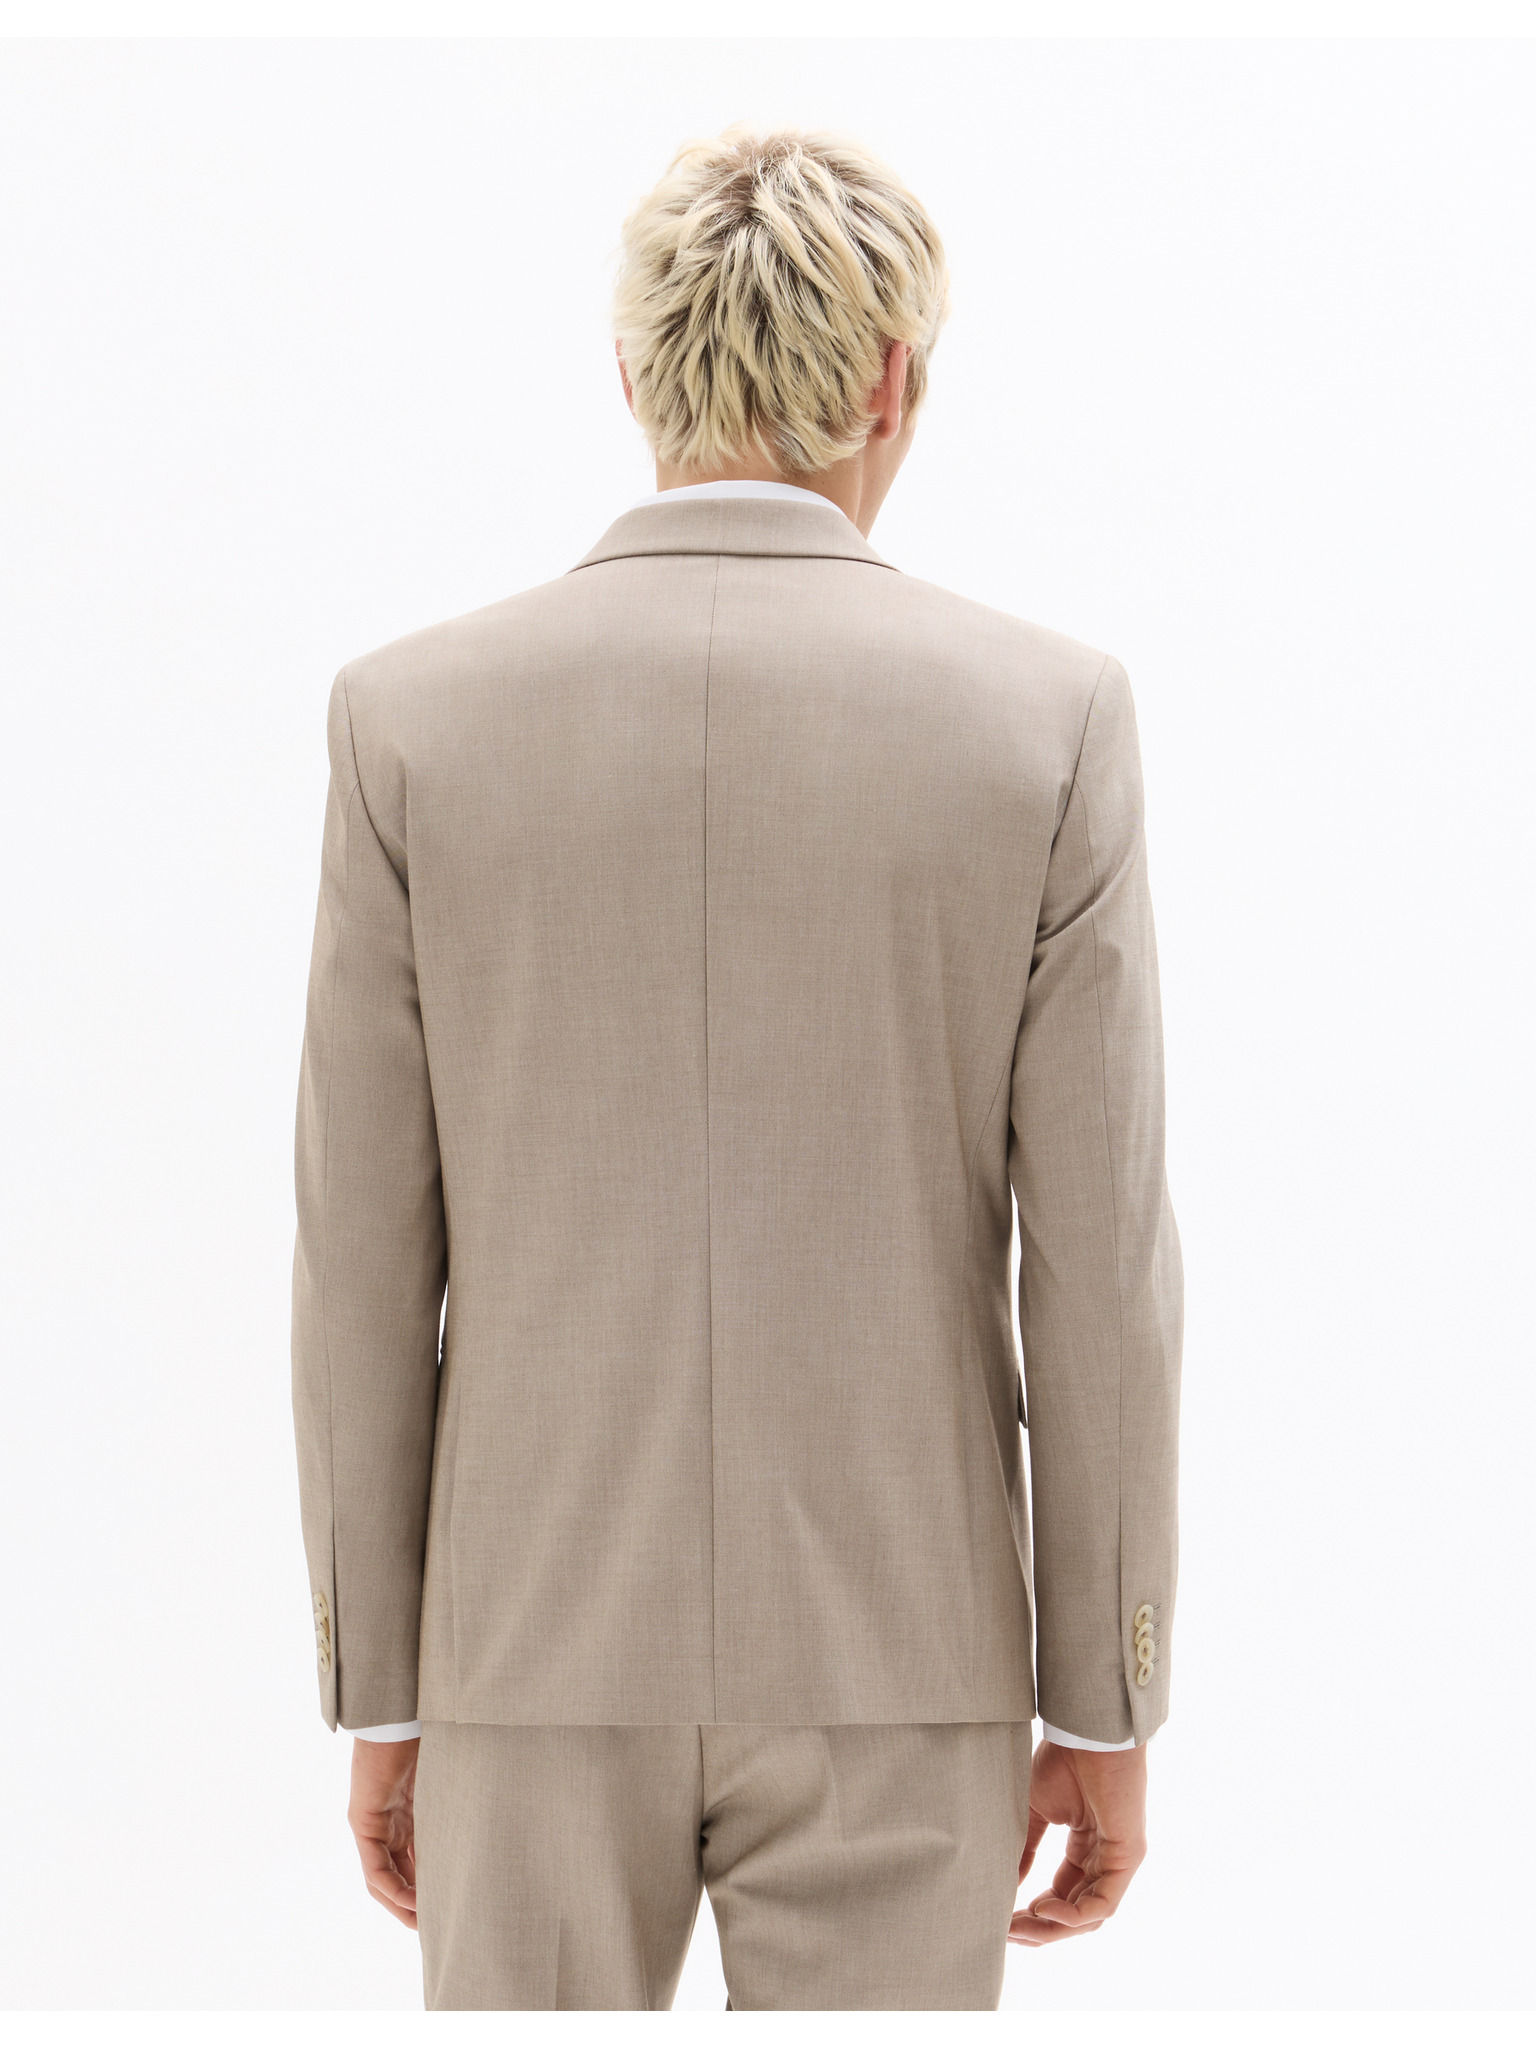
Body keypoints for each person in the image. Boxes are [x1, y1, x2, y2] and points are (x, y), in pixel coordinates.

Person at [290, 124, 1183, 2012]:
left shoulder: (409, 722)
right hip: (905, 1655)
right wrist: (1104, 1700)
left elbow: (362, 1250)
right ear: (891, 382)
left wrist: (383, 1684)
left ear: (631, 376)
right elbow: (1098, 1260)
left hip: (526, 1643)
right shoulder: (1047, 721)